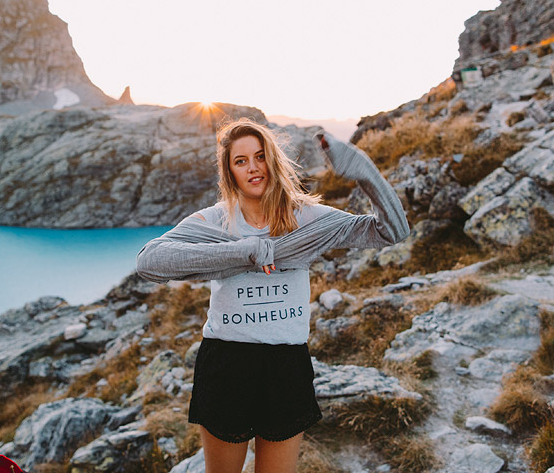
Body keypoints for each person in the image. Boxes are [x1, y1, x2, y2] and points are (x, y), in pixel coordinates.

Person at [136, 119, 409, 473]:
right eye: (240, 161)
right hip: (227, 363)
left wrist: (362, 171)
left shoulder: (307, 219)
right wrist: (243, 252)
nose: (253, 167)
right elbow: (150, 261)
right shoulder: (216, 221)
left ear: (273, 160)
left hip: (286, 365)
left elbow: (392, 231)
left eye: (260, 156)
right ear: (229, 172)